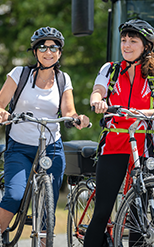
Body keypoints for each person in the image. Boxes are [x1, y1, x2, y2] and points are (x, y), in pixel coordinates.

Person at [85, 19, 154, 247]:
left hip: (143, 149)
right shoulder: (111, 69)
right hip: (113, 145)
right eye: (124, 40)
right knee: (103, 211)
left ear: (146, 46)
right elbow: (97, 91)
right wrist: (98, 101)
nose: (126, 45)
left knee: (139, 215)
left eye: (132, 41)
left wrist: (139, 112)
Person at [0, 26, 90, 234]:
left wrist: (78, 119)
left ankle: (43, 241)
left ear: (59, 52)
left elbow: (69, 111)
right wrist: (3, 113)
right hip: (20, 146)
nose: (48, 51)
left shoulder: (63, 79)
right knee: (14, 196)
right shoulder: (19, 74)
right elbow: (1, 103)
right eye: (43, 47)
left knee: (49, 201)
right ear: (35, 52)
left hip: (51, 147)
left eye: (53, 47)